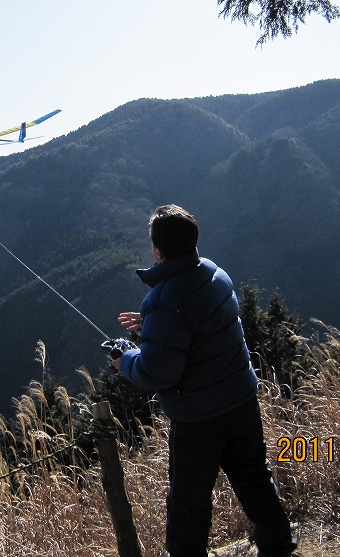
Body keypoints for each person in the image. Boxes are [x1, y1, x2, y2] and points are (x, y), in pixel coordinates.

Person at [112, 204, 297, 557]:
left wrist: (125, 361)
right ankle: (278, 545)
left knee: (189, 502)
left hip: (199, 417)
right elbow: (201, 327)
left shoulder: (166, 300)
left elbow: (156, 371)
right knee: (254, 477)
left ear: (158, 250)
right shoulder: (214, 273)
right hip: (241, 399)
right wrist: (152, 323)